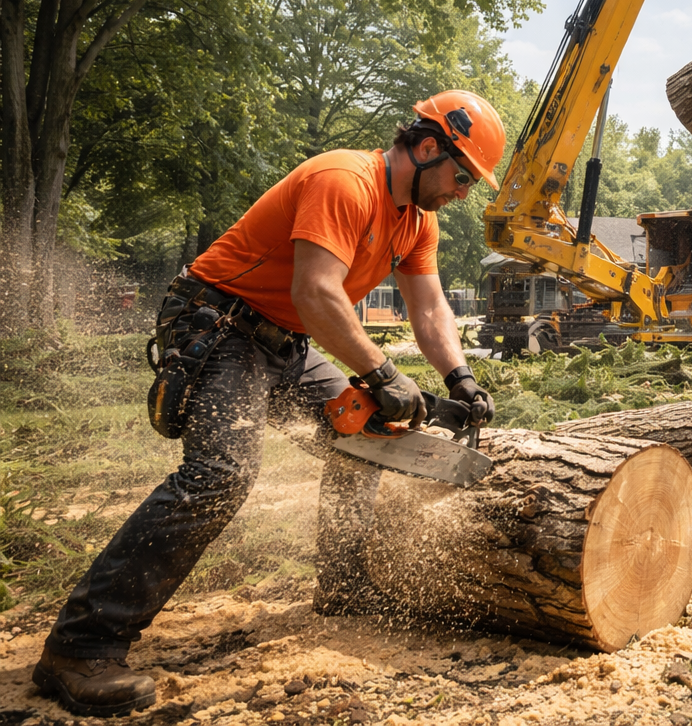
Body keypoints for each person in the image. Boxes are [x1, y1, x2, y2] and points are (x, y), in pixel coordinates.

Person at [31, 91, 506, 718]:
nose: (462, 192)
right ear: (425, 148)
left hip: (286, 339)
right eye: (461, 176)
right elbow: (316, 292)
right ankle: (79, 647)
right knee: (222, 475)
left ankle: (343, 585)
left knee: (363, 431)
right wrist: (381, 371)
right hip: (216, 319)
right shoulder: (345, 180)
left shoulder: (418, 220)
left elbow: (428, 306)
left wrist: (459, 377)